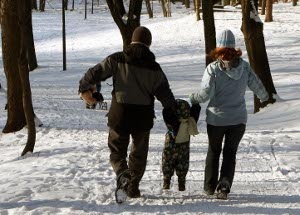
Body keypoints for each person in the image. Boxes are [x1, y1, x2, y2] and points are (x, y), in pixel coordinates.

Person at [78, 26, 178, 201]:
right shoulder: (154, 68)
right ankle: (132, 187)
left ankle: (122, 173)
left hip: (120, 114)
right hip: (143, 117)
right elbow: (166, 95)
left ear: (132, 40)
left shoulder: (117, 59)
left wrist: (83, 87)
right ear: (149, 44)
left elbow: (95, 72)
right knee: (139, 154)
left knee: (117, 150)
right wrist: (173, 114)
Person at [189, 29, 270, 200]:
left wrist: (192, 98)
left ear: (218, 48)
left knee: (214, 151)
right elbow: (257, 85)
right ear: (234, 48)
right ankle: (224, 186)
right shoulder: (244, 67)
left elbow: (205, 95)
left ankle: (209, 187)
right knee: (230, 153)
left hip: (216, 119)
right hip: (238, 120)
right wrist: (264, 97)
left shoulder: (212, 69)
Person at [162, 99, 200, 191]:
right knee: (183, 163)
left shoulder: (172, 123)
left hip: (170, 148)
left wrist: (169, 104)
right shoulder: (190, 122)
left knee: (167, 162)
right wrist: (195, 104)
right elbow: (196, 112)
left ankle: (166, 181)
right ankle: (181, 183)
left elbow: (165, 112)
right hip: (183, 149)